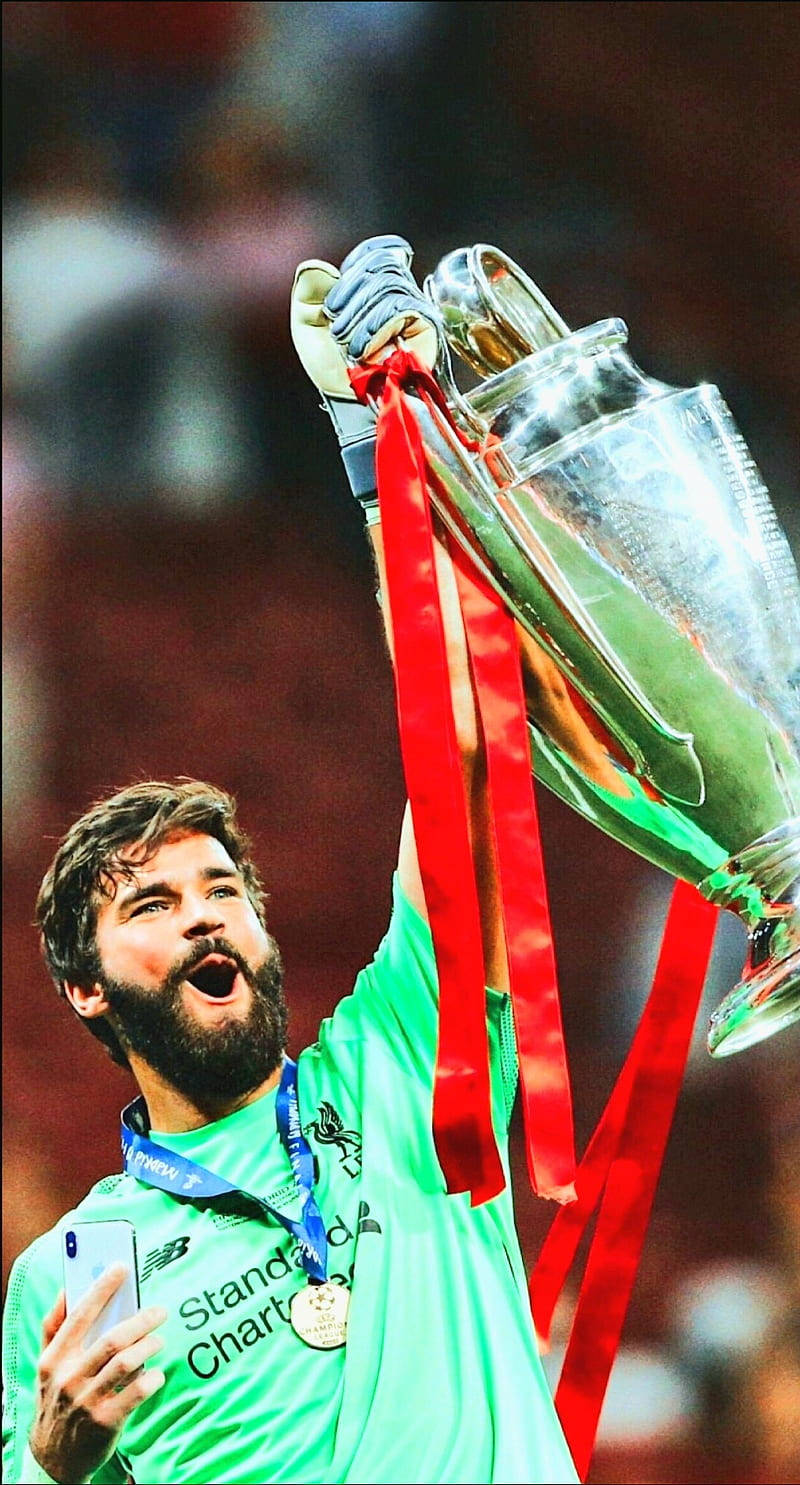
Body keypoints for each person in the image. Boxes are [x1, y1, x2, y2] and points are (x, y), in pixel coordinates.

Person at [2, 237, 582, 1485]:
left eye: (225, 891)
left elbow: (463, 755)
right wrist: (54, 1463)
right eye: (152, 905)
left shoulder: (396, 1053)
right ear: (86, 988)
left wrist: (393, 469)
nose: (207, 917)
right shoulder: (65, 1278)